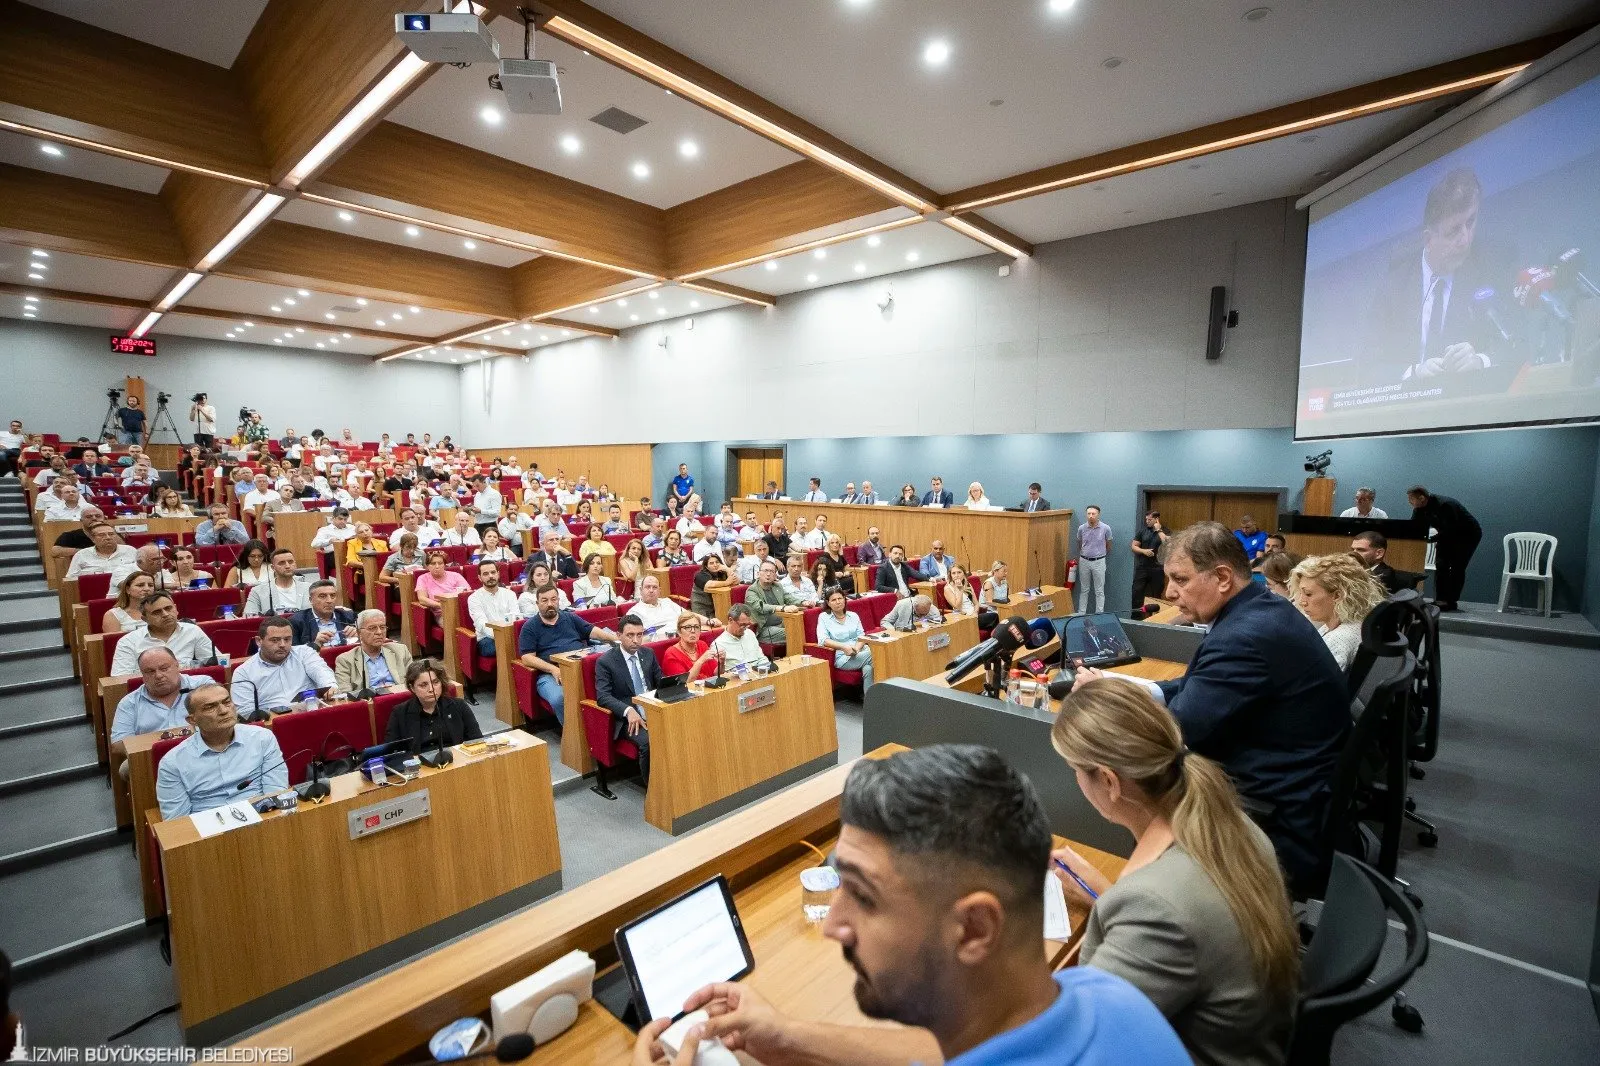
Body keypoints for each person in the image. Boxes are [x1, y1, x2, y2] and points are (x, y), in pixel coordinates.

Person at [639, 745, 1187, 1066]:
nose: (833, 924)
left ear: (974, 928)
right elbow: (938, 1053)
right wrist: (786, 1036)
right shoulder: (1104, 994)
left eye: (864, 896)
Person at [1073, 522, 1349, 892]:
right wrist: (1124, 686)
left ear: (1221, 577)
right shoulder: (1261, 608)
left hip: (1275, 811)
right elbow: (1197, 685)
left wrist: (1107, 708)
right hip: (1300, 784)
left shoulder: (1244, 637)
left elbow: (1174, 737)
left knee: (1132, 781)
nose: (1169, 592)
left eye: (1181, 580)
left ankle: (1135, 901)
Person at [1051, 681, 1299, 1065]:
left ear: (1109, 781)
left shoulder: (1155, 907)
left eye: (1074, 771)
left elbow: (1081, 1043)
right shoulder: (1227, 822)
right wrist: (1108, 893)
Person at [1366, 167, 1509, 383]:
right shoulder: (1395, 285)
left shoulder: (1489, 268)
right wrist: (1413, 374)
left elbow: (1518, 342)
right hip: (1405, 411)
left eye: (1470, 222)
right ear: (1428, 239)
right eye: (1453, 231)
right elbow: (1367, 363)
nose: (1466, 238)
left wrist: (1481, 361)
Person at [156, 683, 288, 819]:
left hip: (262, 818)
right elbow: (177, 821)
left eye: (227, 702)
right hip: (207, 829)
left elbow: (276, 792)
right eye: (210, 707)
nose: (224, 711)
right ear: (192, 720)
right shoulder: (172, 763)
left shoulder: (262, 738)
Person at [517, 584, 619, 724]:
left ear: (559, 600)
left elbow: (592, 631)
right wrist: (553, 669)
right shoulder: (530, 627)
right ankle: (574, 736)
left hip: (579, 666)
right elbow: (527, 657)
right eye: (544, 600)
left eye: (553, 599)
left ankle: (599, 731)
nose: (550, 604)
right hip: (549, 674)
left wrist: (616, 639)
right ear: (537, 603)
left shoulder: (569, 618)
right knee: (561, 698)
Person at [110, 647, 208, 773]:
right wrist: (163, 747)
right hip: (154, 758)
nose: (158, 675)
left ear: (177, 665)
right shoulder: (129, 703)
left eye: (164, 668)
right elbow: (118, 744)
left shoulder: (202, 685)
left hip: (201, 747)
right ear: (142, 675)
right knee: (127, 768)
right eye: (150, 671)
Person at [1290, 554, 1387, 671]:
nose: (1302, 602)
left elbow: (1315, 687)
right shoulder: (1353, 622)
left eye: (1308, 594)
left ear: (1337, 596)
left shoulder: (1337, 640)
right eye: (1301, 593)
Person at [595, 614, 661, 775]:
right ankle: (653, 790)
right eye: (630, 635)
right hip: (628, 718)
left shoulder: (648, 653)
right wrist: (628, 711)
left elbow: (660, 683)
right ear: (619, 636)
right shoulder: (605, 661)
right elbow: (603, 696)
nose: (636, 640)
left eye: (640, 635)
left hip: (653, 709)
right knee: (649, 743)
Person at [229, 617, 337, 714]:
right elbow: (245, 713)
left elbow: (322, 672)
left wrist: (330, 686)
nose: (282, 645)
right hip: (274, 725)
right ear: (258, 641)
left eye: (287, 639)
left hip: (312, 715)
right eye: (275, 640)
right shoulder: (243, 673)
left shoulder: (304, 653)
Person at [1408, 484, 1481, 611]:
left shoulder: (1445, 505)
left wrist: (1432, 539)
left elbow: (1452, 528)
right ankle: (1441, 599)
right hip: (1446, 534)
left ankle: (1451, 601)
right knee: (1441, 564)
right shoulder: (1418, 509)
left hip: (1467, 535)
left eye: (1411, 499)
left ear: (1421, 498)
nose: (1409, 502)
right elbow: (1414, 527)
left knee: (1457, 567)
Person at [384, 659, 482, 752]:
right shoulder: (400, 713)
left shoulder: (459, 706)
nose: (431, 689)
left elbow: (477, 741)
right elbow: (393, 753)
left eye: (435, 682)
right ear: (412, 688)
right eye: (423, 685)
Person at [334, 609, 412, 695]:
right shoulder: (345, 660)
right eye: (372, 628)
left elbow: (414, 682)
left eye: (382, 627)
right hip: (370, 703)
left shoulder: (400, 650)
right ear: (359, 632)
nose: (379, 632)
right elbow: (345, 695)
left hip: (400, 699)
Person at [816, 588, 874, 690]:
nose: (838, 602)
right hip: (841, 657)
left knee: (868, 669)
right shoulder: (823, 617)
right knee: (877, 654)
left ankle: (871, 703)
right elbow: (823, 640)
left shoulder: (853, 615)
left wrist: (856, 649)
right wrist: (843, 647)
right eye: (833, 600)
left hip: (860, 651)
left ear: (844, 599)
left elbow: (861, 636)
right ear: (828, 603)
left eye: (840, 598)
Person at [745, 559, 803, 645]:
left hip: (782, 623)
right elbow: (761, 607)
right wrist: (782, 608)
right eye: (765, 571)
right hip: (764, 629)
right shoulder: (752, 590)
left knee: (803, 627)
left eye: (771, 571)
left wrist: (804, 602)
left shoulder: (777, 586)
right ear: (758, 574)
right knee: (793, 632)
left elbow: (789, 598)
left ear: (775, 575)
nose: (768, 574)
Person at [466, 561, 518, 657]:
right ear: (479, 577)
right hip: (486, 639)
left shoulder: (510, 594)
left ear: (498, 574)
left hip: (509, 634)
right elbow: (482, 624)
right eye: (485, 574)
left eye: (493, 572)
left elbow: (515, 616)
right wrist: (502, 636)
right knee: (504, 646)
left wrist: (510, 635)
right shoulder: (474, 598)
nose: (490, 576)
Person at [289, 580, 358, 648]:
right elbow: (293, 652)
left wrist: (360, 637)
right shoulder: (297, 621)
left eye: (332, 596)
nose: (329, 601)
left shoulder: (348, 616)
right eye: (322, 596)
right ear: (311, 600)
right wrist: (315, 644)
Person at [245, 548, 311, 616]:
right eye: (281, 563)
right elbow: (249, 616)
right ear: (273, 568)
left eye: (290, 562)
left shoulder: (309, 588)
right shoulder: (257, 591)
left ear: (295, 564)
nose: (287, 566)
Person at [1349, 530, 1417, 594]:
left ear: (1379, 553)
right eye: (1353, 549)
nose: (1353, 554)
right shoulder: (1355, 570)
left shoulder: (1383, 577)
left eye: (1361, 550)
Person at [710, 604, 771, 671]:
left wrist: (766, 668)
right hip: (738, 678)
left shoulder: (750, 633)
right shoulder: (718, 644)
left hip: (759, 674)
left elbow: (761, 658)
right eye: (742, 625)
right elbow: (718, 674)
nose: (745, 628)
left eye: (747, 624)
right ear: (730, 620)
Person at [66, 523, 137, 579]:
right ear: (92, 539)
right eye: (102, 535)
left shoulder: (130, 550)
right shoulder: (81, 555)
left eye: (111, 534)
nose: (108, 537)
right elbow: (71, 579)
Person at [661, 614, 719, 682]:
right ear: (679, 632)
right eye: (688, 627)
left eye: (696, 627)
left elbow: (716, 673)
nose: (693, 631)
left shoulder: (702, 644)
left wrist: (721, 662)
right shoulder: (671, 653)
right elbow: (684, 683)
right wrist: (701, 661)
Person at [1076, 505, 1112, 613]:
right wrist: (1085, 552)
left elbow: (1109, 544)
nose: (1091, 516)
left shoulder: (1106, 528)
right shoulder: (1081, 528)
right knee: (1084, 589)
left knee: (1099, 590)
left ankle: (1099, 614)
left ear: (1098, 515)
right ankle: (1081, 613)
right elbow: (1079, 542)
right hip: (1084, 561)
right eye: (1088, 514)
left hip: (1099, 561)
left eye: (1093, 514)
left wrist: (1100, 553)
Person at [1131, 510, 1169, 607]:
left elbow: (1167, 543)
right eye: (1146, 519)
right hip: (1142, 567)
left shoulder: (1165, 530)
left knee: (1156, 595)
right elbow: (1134, 546)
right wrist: (1143, 551)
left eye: (1150, 519)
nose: (1147, 521)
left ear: (1156, 519)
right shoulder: (1142, 531)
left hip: (1158, 568)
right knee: (1136, 592)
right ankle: (1135, 618)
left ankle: (1155, 619)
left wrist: (1158, 530)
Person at [692, 551, 737, 620]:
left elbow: (737, 581)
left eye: (717, 562)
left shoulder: (722, 572)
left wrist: (727, 569)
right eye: (711, 563)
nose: (715, 565)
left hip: (719, 605)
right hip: (702, 608)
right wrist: (727, 582)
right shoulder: (700, 575)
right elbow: (709, 584)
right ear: (706, 566)